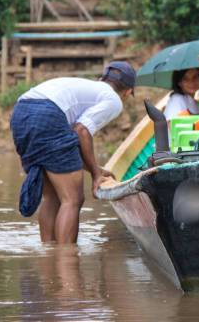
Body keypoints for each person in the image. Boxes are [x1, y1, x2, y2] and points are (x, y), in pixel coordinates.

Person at [10, 61, 136, 244]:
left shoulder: (86, 88)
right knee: (72, 199)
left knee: (52, 196)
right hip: (48, 114)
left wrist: (96, 169)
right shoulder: (113, 99)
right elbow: (82, 131)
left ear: (102, 79)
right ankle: (66, 258)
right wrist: (96, 175)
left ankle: (49, 254)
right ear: (128, 92)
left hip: (21, 113)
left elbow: (67, 146)